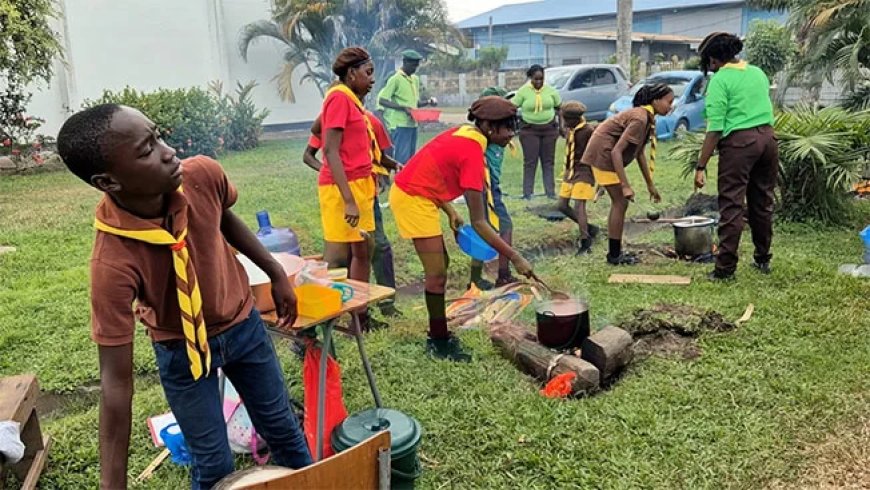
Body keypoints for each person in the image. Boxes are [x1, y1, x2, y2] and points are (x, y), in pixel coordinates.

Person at [55, 104, 312, 489]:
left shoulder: (201, 176)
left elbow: (223, 219)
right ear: (108, 181)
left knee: (284, 431)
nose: (169, 151)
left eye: (158, 135)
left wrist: (275, 272)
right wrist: (112, 483)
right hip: (181, 350)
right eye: (147, 150)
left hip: (244, 327)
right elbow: (115, 383)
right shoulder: (112, 262)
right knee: (214, 463)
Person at [389, 96, 534, 362]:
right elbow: (479, 222)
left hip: (425, 194)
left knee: (441, 265)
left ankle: (439, 328)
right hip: (412, 198)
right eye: (507, 127)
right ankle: (438, 341)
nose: (511, 134)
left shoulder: (467, 134)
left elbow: (431, 171)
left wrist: (450, 211)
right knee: (436, 274)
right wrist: (515, 257)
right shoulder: (471, 150)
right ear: (488, 126)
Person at [693, 32, 778, 281]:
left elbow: (715, 128)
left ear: (713, 59)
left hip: (740, 144)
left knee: (731, 204)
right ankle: (762, 258)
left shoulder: (720, 80)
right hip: (768, 140)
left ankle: (725, 269)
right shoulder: (757, 72)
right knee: (762, 202)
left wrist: (701, 165)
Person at [303, 110, 402, 319]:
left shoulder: (371, 121)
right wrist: (330, 173)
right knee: (342, 254)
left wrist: (395, 165)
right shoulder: (334, 118)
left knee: (377, 246)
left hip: (366, 195)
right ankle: (339, 308)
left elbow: (379, 156)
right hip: (341, 195)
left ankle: (385, 304)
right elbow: (309, 155)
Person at [318, 46, 382, 330]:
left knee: (362, 251)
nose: (372, 79)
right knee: (335, 257)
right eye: (368, 73)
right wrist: (348, 200)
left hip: (361, 184)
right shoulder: (339, 98)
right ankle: (316, 324)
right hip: (341, 189)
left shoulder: (353, 101)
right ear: (352, 73)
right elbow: (330, 150)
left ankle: (360, 317)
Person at [582, 84, 671, 265]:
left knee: (620, 202)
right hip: (603, 155)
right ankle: (614, 255)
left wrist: (650, 185)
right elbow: (616, 152)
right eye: (669, 102)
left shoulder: (646, 118)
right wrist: (625, 185)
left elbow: (639, 153)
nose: (671, 106)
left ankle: (615, 253)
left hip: (606, 154)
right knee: (620, 202)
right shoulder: (640, 119)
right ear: (655, 101)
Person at [468, 86, 520, 290]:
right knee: (503, 226)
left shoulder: (498, 132)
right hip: (484, 186)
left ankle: (475, 278)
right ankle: (503, 275)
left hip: (490, 185)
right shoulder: (484, 136)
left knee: (482, 229)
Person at [377, 49, 436, 164]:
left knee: (410, 160)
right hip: (400, 125)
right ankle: (399, 176)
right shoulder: (395, 79)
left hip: (412, 124)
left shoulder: (415, 79)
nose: (415, 69)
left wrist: (429, 102)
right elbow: (382, 100)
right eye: (413, 65)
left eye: (417, 66)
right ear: (405, 62)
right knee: (401, 159)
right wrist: (403, 108)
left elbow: (415, 103)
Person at [512, 64, 562, 199]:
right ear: (530, 78)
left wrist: (561, 127)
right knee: (530, 162)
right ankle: (528, 193)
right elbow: (512, 107)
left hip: (549, 130)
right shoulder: (523, 92)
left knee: (548, 161)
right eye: (536, 79)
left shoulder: (551, 91)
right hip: (529, 131)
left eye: (541, 79)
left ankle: (550, 192)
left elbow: (559, 108)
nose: (539, 82)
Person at [557, 101, 598, 255]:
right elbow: (562, 131)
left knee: (579, 205)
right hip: (570, 171)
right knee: (562, 205)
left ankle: (585, 242)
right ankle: (589, 227)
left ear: (575, 119)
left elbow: (597, 152)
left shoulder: (588, 131)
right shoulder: (570, 129)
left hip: (584, 171)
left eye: (566, 120)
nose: (564, 123)